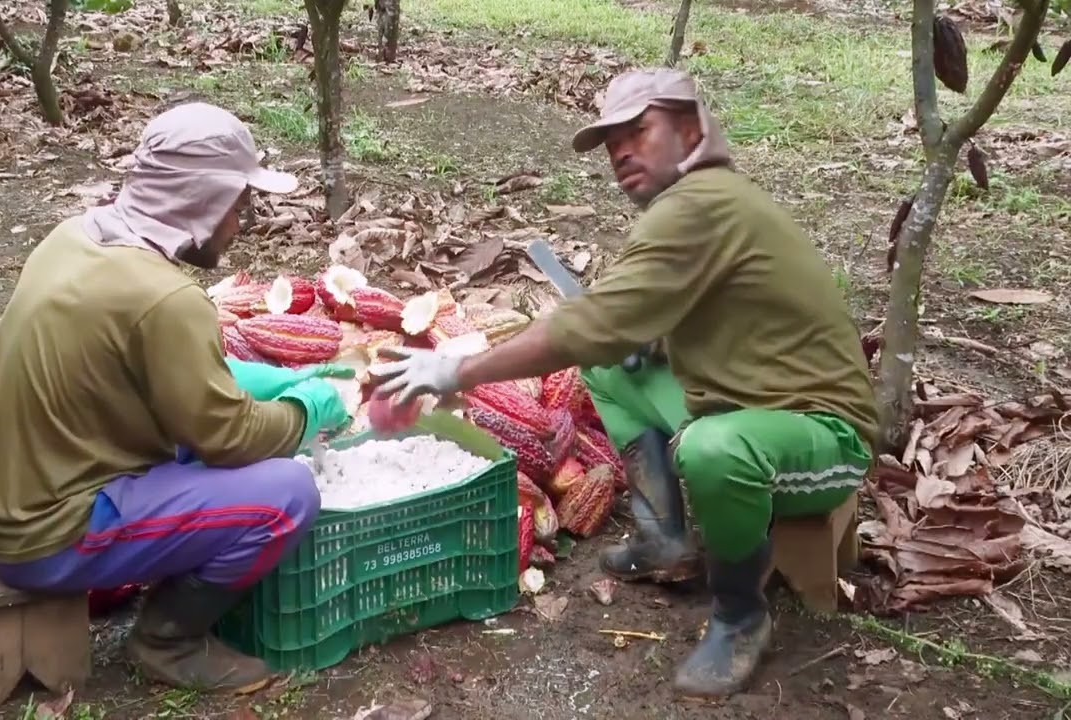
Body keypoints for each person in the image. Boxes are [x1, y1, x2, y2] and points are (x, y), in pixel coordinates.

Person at [368, 68, 878, 698]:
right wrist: (646, 340)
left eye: (639, 131)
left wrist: (457, 369)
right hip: (747, 403)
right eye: (612, 144)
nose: (622, 153)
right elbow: (648, 323)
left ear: (691, 129)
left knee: (713, 448)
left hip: (822, 435)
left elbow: (593, 322)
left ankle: (741, 614)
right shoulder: (700, 203)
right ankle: (665, 537)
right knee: (611, 368)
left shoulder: (702, 206)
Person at [0, 103, 353, 694]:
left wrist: (271, 379)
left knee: (225, 460)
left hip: (10, 502)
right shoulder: (165, 298)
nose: (240, 224)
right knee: (286, 494)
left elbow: (156, 373)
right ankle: (169, 641)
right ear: (206, 198)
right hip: (47, 535)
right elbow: (232, 437)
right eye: (239, 206)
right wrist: (306, 411)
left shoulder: (77, 238)